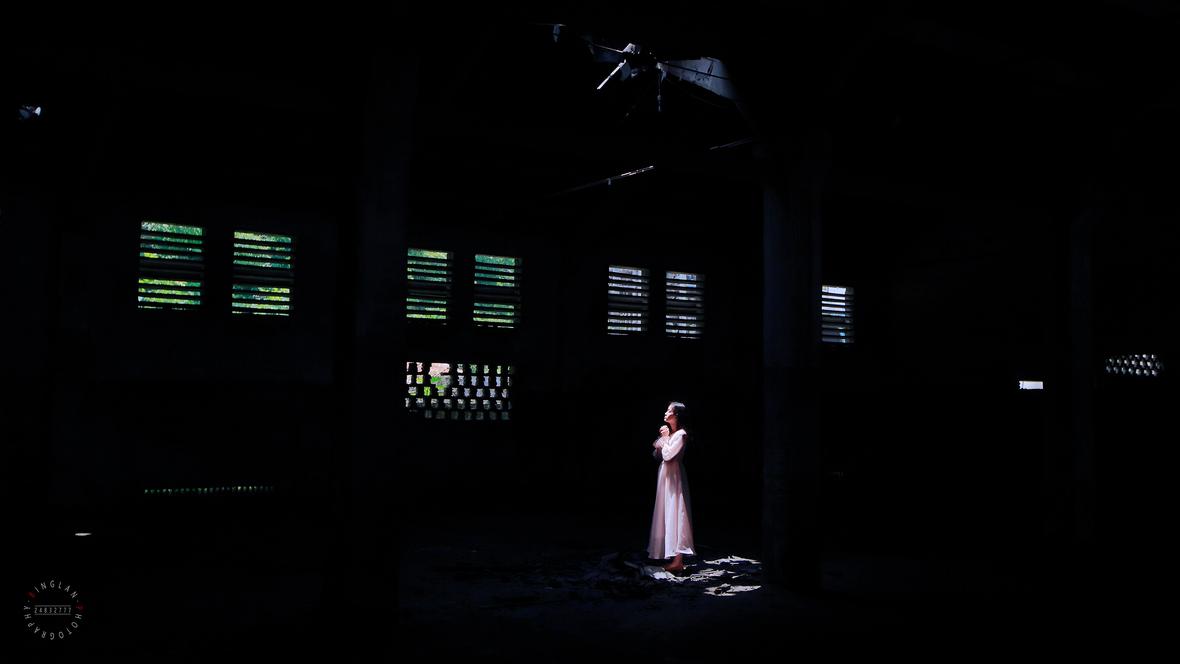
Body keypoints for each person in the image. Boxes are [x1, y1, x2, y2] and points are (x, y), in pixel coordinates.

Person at [647, 401, 694, 574]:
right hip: (666, 476)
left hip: (674, 477)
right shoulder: (673, 434)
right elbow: (658, 455)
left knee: (676, 512)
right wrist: (664, 440)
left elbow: (668, 456)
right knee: (666, 512)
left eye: (669, 411)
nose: (666, 413)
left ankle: (678, 560)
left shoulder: (681, 434)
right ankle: (672, 557)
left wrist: (665, 438)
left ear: (676, 415)